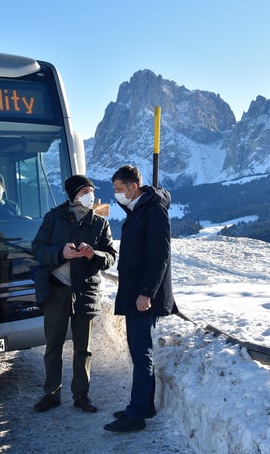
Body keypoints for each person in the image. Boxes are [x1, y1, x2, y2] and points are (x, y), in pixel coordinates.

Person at [31, 174, 117, 414]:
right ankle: (51, 394)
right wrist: (61, 253)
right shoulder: (53, 218)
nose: (90, 195)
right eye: (84, 192)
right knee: (53, 345)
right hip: (56, 289)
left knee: (83, 347)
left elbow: (110, 256)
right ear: (73, 196)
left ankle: (81, 395)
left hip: (85, 290)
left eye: (91, 191)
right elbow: (37, 249)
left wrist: (93, 255)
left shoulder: (99, 223)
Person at [104, 165, 176, 433]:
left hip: (144, 296)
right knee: (137, 350)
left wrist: (147, 292)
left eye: (119, 189)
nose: (116, 195)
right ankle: (144, 405)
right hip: (134, 293)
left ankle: (135, 415)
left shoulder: (153, 210)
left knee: (141, 351)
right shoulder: (138, 208)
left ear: (133, 187)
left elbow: (160, 255)